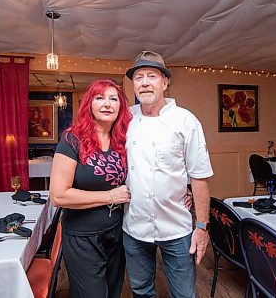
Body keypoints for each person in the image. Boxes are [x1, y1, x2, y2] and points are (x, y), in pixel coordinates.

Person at [123, 51, 214, 298]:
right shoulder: (125, 119)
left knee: (184, 294)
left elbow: (199, 176)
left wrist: (202, 227)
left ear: (165, 82)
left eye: (151, 76)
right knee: (141, 290)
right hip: (135, 225)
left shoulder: (186, 120)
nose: (144, 82)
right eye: (139, 77)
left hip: (177, 227)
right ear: (133, 85)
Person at [49, 78, 132, 298]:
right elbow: (58, 195)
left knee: (113, 292)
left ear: (120, 107)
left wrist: (184, 191)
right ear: (89, 105)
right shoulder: (72, 139)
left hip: (116, 233)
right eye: (100, 98)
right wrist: (110, 196)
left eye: (113, 99)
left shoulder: (122, 140)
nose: (107, 104)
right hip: (82, 237)